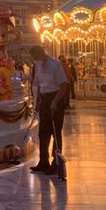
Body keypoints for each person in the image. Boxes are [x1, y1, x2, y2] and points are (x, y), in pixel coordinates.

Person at [30, 45, 68, 175]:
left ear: (41, 53)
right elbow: (39, 86)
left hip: (55, 98)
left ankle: (56, 163)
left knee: (55, 132)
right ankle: (43, 162)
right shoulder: (38, 66)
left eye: (35, 57)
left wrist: (55, 102)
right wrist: (37, 103)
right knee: (43, 133)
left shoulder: (55, 65)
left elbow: (63, 86)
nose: (35, 60)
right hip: (44, 100)